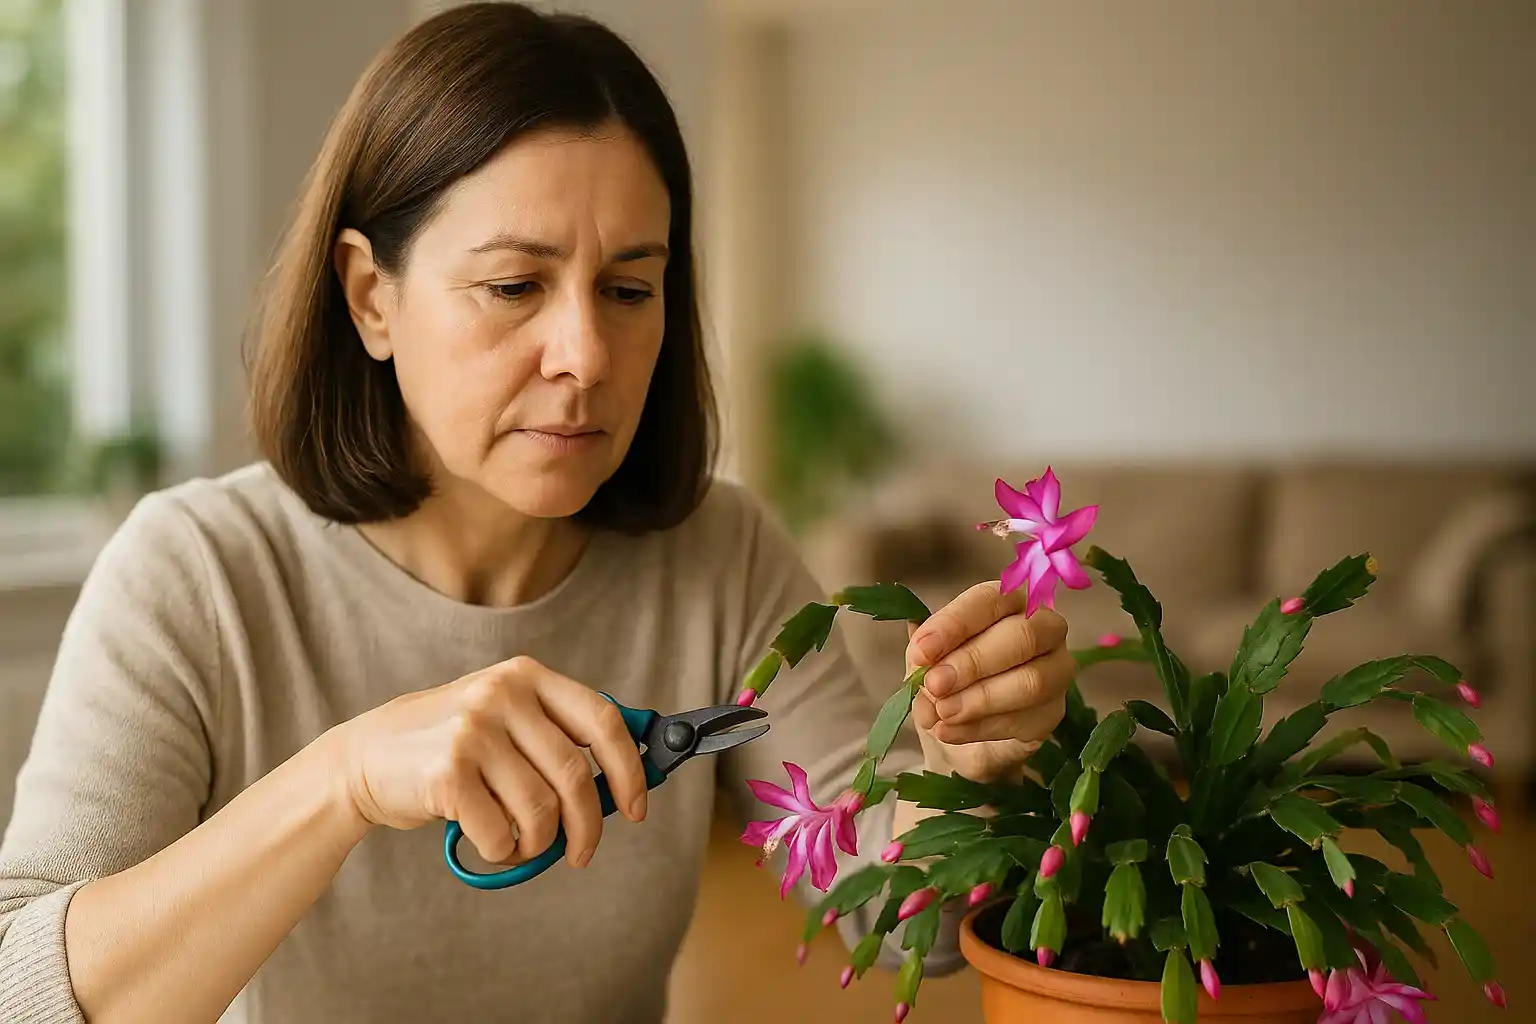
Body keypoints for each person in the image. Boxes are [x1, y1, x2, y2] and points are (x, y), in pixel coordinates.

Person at [0, 5, 1076, 1022]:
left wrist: (964, 773)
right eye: (515, 286)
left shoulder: (722, 555)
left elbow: (897, 923)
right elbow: (22, 991)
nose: (588, 357)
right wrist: (344, 779)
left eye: (629, 289)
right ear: (372, 295)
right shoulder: (195, 574)